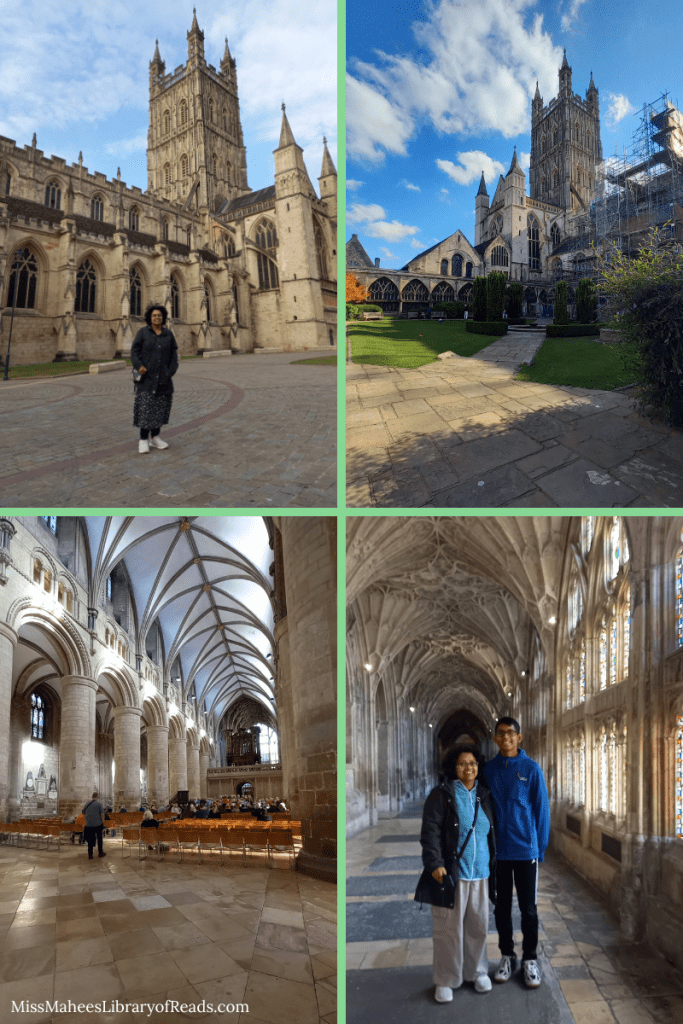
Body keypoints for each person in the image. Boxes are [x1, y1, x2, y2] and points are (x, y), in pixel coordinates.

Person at [419, 744, 497, 1003]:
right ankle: (446, 978)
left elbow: (490, 834)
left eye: (473, 763)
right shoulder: (441, 795)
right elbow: (430, 832)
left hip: (481, 873)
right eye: (463, 763)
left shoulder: (484, 795)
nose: (469, 768)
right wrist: (435, 863)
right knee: (448, 928)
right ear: (454, 767)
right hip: (453, 873)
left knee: (478, 926)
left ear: (478, 766)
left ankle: (476, 971)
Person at [483, 717, 550, 990]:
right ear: (495, 739)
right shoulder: (488, 770)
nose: (506, 738)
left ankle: (530, 958)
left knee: (528, 909)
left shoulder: (531, 769)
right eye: (501, 734)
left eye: (511, 733)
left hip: (525, 851)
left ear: (519, 738)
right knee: (501, 909)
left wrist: (540, 849)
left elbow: (542, 811)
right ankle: (507, 955)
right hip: (499, 853)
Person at [131, 304, 179, 455]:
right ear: (149, 318)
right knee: (146, 409)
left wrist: (171, 371)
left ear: (163, 317)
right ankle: (143, 439)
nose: (156, 317)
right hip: (147, 379)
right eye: (154, 315)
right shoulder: (143, 332)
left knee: (159, 410)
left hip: (163, 379)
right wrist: (139, 366)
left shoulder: (168, 334)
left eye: (159, 315)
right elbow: (134, 351)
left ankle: (155, 437)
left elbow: (173, 355)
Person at [82, 791, 107, 859]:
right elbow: (102, 815)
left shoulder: (87, 804)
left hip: (89, 824)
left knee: (90, 839)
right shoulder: (99, 804)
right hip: (98, 824)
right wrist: (103, 823)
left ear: (92, 796)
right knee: (99, 838)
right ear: (97, 797)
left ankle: (90, 854)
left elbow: (84, 813)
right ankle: (100, 853)